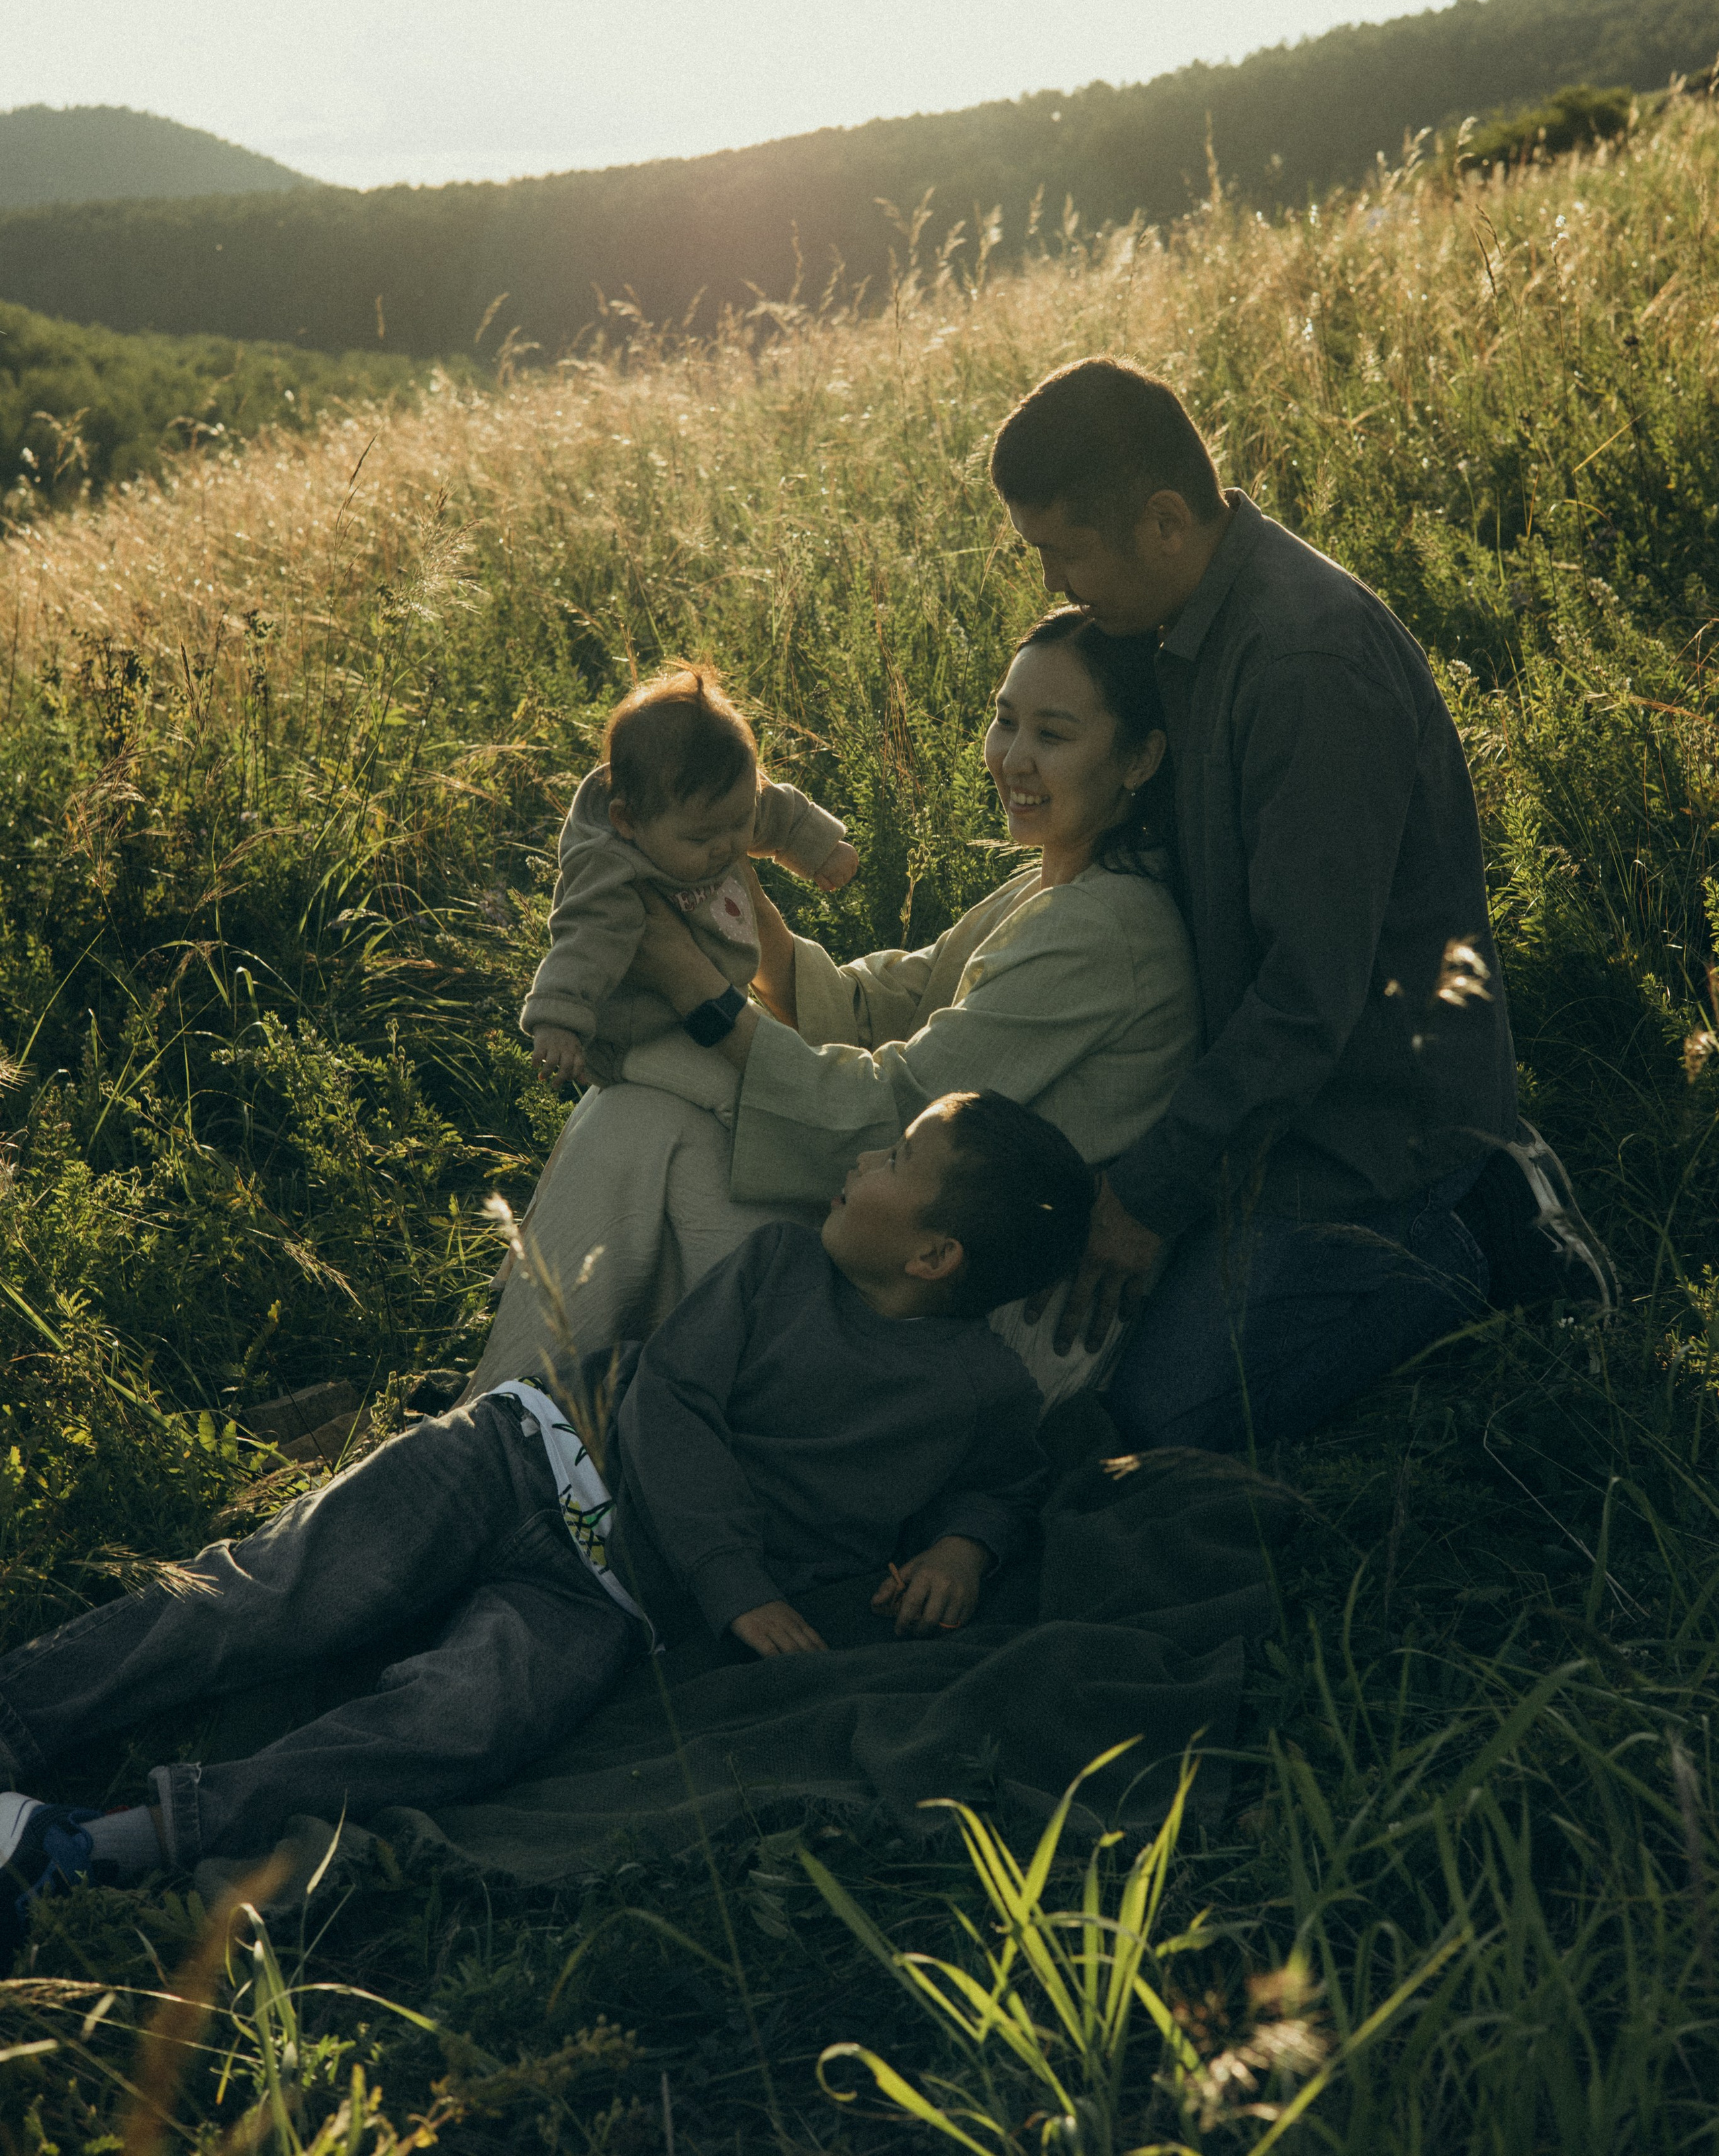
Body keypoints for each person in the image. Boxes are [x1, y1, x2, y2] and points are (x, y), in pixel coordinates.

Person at [1, 1091, 1086, 1959]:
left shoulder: (984, 1392)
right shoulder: (778, 1266)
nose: (860, 1162)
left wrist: (964, 1546)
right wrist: (735, 1582)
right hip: (525, 1457)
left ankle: (108, 1843)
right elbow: (671, 1401)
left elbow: (1006, 1481)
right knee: (281, 1588)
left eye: (896, 1158)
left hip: (603, 1602)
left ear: (934, 1257)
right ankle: (27, 1713)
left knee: (470, 1721)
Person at [988, 354, 1618, 1454]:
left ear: (1167, 521)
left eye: (1067, 553)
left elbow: (1307, 997)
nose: (1061, 587)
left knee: (1148, 1425)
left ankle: (1473, 1237)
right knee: (1066, 1370)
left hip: (1373, 1140)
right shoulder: (1180, 629)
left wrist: (1149, 1195)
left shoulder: (1305, 669)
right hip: (1257, 1112)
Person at [465, 608, 1201, 1407]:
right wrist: (738, 907)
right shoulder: (1057, 881)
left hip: (965, 1324)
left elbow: (892, 1116)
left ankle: (490, 1436)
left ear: (1139, 757)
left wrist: (691, 983)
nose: (1012, 758)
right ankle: (531, 1415)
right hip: (904, 1260)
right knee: (638, 1120)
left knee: (636, 1124)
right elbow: (887, 1004)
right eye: (1003, 720)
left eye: (1052, 735)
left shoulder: (1105, 928)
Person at [520, 661, 859, 1090]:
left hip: (714, 997)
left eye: (739, 822)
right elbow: (583, 943)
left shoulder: (714, 808)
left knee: (761, 1066)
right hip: (646, 1034)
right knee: (736, 1093)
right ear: (627, 820)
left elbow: (773, 807)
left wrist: (816, 848)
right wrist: (558, 1021)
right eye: (701, 839)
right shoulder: (611, 873)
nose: (727, 845)